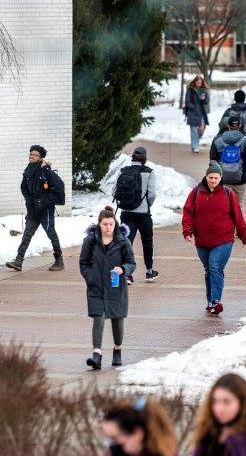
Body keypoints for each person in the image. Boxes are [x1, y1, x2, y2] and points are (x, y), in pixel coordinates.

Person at [181, 162, 246, 316]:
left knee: (215, 267)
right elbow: (188, 212)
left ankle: (215, 301)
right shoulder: (197, 192)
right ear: (206, 177)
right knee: (208, 271)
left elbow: (238, 217)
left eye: (216, 177)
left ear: (221, 177)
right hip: (203, 241)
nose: (213, 180)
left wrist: (245, 237)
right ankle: (210, 301)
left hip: (223, 240)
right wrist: (187, 231)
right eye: (211, 177)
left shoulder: (228, 193)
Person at [79, 206, 136, 370]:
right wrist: (90, 277)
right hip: (96, 287)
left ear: (115, 224)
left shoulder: (123, 241)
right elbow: (84, 263)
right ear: (99, 224)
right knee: (99, 318)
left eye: (111, 224)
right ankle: (97, 355)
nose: (108, 228)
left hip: (116, 287)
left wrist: (123, 269)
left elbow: (131, 263)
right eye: (105, 224)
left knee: (118, 321)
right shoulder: (91, 240)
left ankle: (117, 349)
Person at [6, 145, 65, 272]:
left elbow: (57, 190)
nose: (31, 156)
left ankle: (59, 260)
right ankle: (18, 261)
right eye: (30, 154)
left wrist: (43, 202)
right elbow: (24, 188)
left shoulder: (47, 172)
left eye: (34, 154)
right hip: (33, 210)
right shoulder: (28, 171)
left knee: (51, 233)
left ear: (40, 158)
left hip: (45, 210)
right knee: (27, 234)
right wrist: (29, 201)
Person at [113, 147, 158, 285]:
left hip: (126, 213)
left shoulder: (123, 171)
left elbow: (114, 191)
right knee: (147, 242)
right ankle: (149, 272)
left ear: (132, 158)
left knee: (127, 243)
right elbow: (152, 195)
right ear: (144, 158)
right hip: (143, 214)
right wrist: (145, 204)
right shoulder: (149, 172)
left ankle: (127, 275)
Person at [210, 115, 246, 208]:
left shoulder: (218, 141)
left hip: (223, 179)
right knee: (239, 204)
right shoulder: (245, 141)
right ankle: (238, 222)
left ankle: (225, 222)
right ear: (240, 125)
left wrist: (218, 176)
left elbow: (213, 160)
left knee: (223, 205)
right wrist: (244, 174)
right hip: (240, 180)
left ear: (228, 125)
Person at [184, 75, 210, 153]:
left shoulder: (204, 90)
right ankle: (195, 146)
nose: (199, 84)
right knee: (194, 130)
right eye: (197, 82)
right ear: (194, 82)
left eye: (200, 83)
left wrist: (204, 98)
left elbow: (206, 101)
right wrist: (194, 108)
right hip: (192, 112)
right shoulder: (190, 90)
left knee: (202, 128)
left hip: (201, 112)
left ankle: (195, 141)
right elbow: (187, 101)